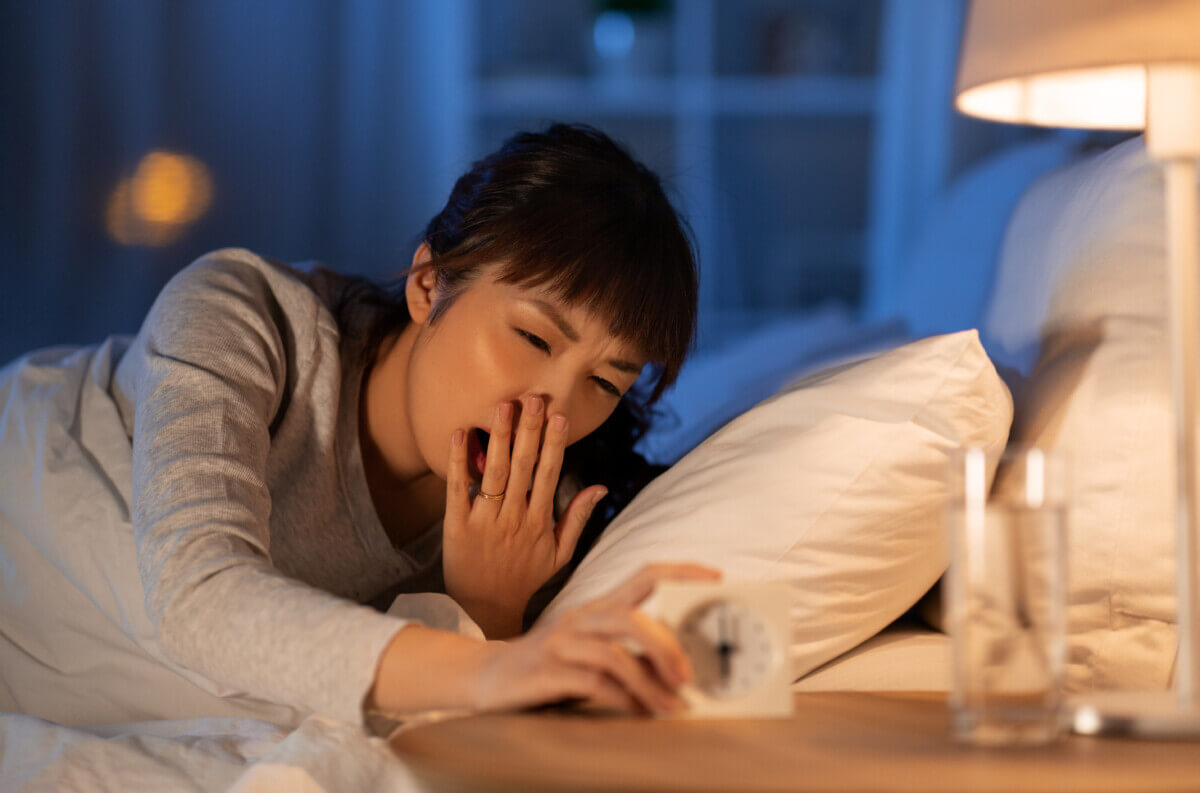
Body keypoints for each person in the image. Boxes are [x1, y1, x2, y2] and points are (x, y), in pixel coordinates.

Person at [0, 123, 719, 729]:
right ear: (429, 284)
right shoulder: (244, 315)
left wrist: (489, 609)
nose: (555, 412)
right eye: (533, 338)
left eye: (603, 381)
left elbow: (428, 719)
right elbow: (198, 599)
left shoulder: (538, 522)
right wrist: (491, 658)